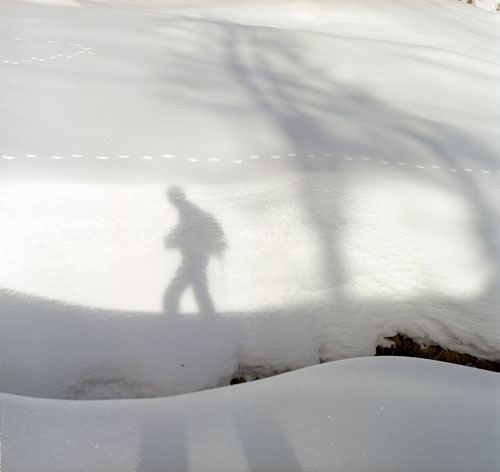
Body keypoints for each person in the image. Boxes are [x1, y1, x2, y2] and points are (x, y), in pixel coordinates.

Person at [163, 186, 226, 315]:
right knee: (200, 292)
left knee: (172, 296)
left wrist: (172, 240)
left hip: (194, 258)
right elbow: (185, 233)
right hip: (196, 257)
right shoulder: (188, 211)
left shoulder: (189, 211)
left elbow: (187, 234)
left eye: (172, 197)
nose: (171, 200)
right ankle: (210, 324)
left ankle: (172, 327)